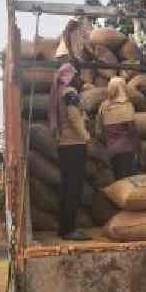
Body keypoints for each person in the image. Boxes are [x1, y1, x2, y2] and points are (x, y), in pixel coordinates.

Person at [48, 63, 91, 241]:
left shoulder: (59, 92)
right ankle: (69, 230)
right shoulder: (69, 92)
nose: (77, 78)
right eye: (75, 74)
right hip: (74, 144)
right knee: (74, 188)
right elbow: (73, 117)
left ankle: (64, 228)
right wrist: (86, 136)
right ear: (70, 76)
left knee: (67, 188)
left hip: (64, 145)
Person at [97, 77, 140, 180]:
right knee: (127, 181)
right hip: (126, 151)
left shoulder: (103, 106)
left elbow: (99, 130)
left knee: (117, 180)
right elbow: (132, 131)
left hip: (111, 150)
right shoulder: (126, 106)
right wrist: (138, 150)